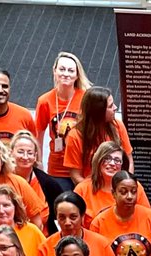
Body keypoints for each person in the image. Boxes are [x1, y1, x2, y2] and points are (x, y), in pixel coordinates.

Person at [34, 51, 91, 192]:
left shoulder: (86, 98)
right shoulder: (44, 101)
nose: (66, 74)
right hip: (57, 168)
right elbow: (38, 135)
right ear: (54, 71)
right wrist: (39, 163)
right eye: (62, 69)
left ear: (77, 75)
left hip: (82, 167)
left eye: (71, 70)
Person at [89, 170, 151, 256]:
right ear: (113, 193)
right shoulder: (99, 223)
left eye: (133, 191)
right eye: (123, 192)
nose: (129, 196)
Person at [64, 86, 134, 186]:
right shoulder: (75, 136)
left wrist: (125, 184)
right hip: (92, 187)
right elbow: (75, 175)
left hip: (118, 187)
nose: (115, 108)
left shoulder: (118, 126)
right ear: (98, 111)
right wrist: (95, 191)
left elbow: (129, 161)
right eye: (110, 106)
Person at [35, 192, 111, 256]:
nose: (67, 222)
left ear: (82, 217)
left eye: (73, 217)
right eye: (62, 217)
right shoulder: (45, 248)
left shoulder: (101, 244)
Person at [75, 142, 148, 227]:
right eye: (107, 158)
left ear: (122, 166)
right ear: (98, 160)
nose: (112, 163)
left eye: (117, 160)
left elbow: (146, 218)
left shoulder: (134, 186)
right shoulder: (82, 189)